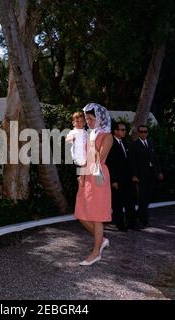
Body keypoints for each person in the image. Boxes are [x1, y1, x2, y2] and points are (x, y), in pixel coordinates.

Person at [74, 103, 113, 266]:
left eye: (91, 119)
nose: (88, 122)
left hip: (98, 177)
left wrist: (90, 141)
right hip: (86, 176)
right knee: (80, 213)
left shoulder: (107, 137)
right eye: (87, 119)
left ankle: (96, 252)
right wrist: (80, 176)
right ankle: (102, 239)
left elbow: (98, 158)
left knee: (97, 217)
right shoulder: (90, 135)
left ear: (99, 119)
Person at [106, 122, 138, 231]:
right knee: (118, 203)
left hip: (128, 179)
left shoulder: (125, 143)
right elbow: (110, 163)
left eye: (125, 130)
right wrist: (113, 180)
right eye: (122, 130)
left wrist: (133, 175)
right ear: (115, 131)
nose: (125, 131)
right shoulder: (110, 143)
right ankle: (120, 225)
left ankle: (132, 224)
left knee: (130, 202)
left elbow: (129, 162)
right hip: (117, 179)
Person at [130, 125, 163, 229]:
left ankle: (142, 218)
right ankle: (143, 220)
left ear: (147, 133)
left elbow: (155, 159)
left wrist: (159, 172)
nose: (143, 133)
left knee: (147, 198)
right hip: (141, 176)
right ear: (138, 133)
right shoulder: (134, 145)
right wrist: (134, 175)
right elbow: (133, 162)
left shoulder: (150, 143)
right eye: (141, 132)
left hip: (151, 175)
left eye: (145, 132)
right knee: (142, 198)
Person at [66, 112, 87, 187]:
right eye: (77, 121)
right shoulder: (73, 132)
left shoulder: (86, 133)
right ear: (73, 123)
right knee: (79, 178)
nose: (79, 123)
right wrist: (71, 138)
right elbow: (67, 140)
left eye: (81, 121)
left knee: (85, 179)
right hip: (77, 160)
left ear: (84, 123)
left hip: (86, 159)